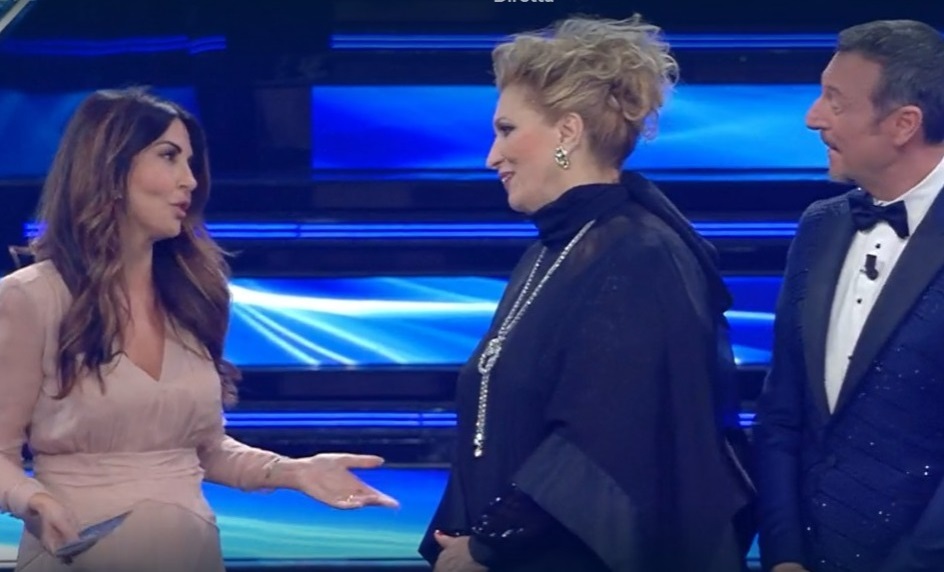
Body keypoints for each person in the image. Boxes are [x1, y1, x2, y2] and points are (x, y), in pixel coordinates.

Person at [0, 87, 398, 572]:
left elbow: (205, 450)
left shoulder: (194, 297)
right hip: (80, 558)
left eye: (190, 162)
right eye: (169, 157)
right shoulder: (31, 298)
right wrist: (33, 500)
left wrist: (293, 472)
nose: (189, 180)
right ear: (110, 168)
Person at [418, 14, 755, 572]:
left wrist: (489, 546)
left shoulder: (640, 256)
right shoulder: (551, 251)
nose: (491, 157)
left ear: (567, 133)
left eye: (507, 130)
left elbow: (604, 440)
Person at [754, 19, 944, 572]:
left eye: (835, 102)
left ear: (904, 124)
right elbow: (781, 410)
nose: (813, 117)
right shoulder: (821, 226)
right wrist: (784, 553)